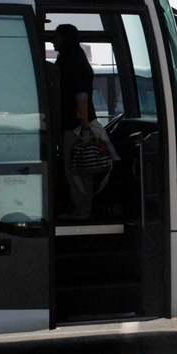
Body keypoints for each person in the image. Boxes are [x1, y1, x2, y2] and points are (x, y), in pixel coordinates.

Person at [55, 24, 98, 220]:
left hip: (75, 125)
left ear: (64, 38)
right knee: (76, 168)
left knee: (75, 169)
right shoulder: (77, 58)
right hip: (77, 122)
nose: (53, 41)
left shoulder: (69, 60)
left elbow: (81, 95)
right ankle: (78, 207)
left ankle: (82, 209)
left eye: (56, 37)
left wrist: (83, 125)